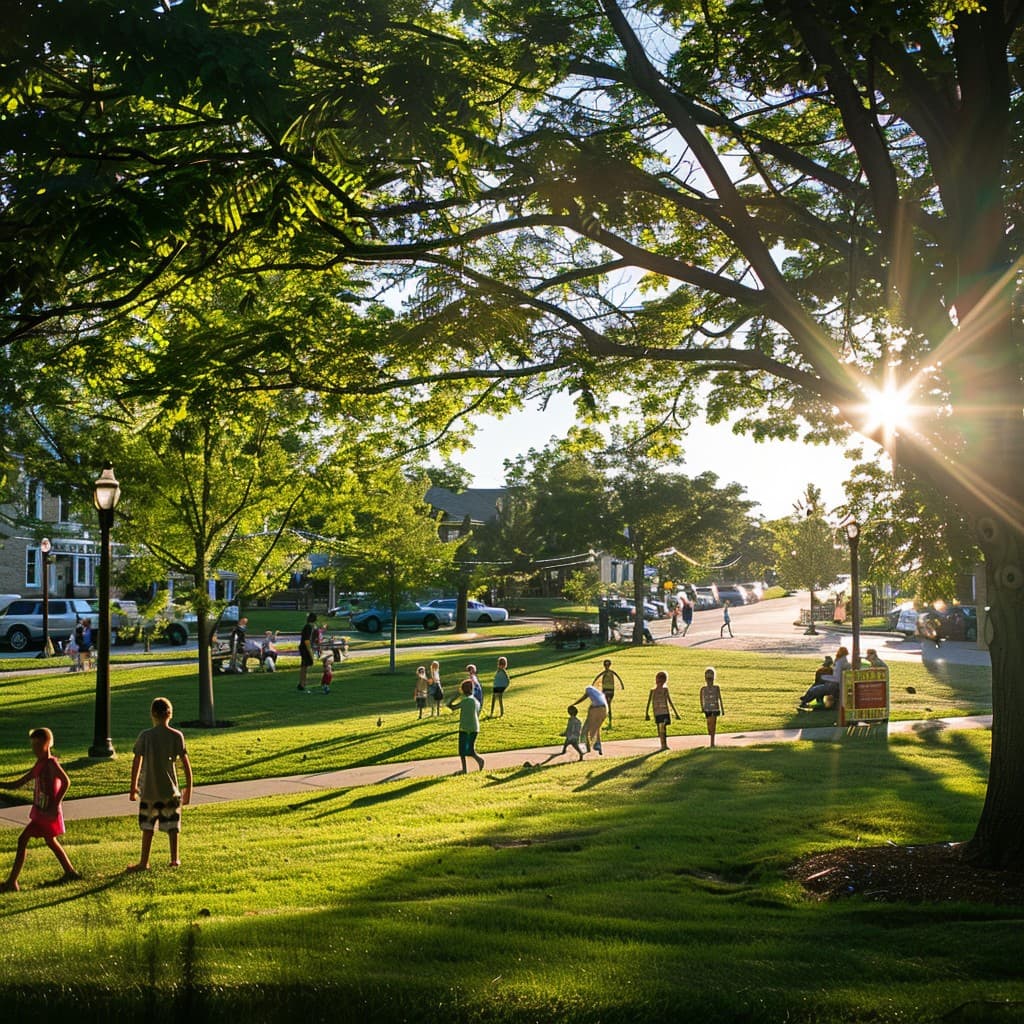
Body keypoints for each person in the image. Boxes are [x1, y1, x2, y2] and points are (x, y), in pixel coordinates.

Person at [0, 727, 80, 892]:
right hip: (41, 811)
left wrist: (55, 804)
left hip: (48, 813)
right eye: (33, 746)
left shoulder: (51, 763)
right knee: (50, 841)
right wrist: (3, 785)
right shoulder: (40, 764)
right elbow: (22, 781)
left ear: (48, 744)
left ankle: (12, 882)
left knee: (24, 840)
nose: (35, 749)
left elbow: (66, 782)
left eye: (38, 745)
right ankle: (70, 872)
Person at [128, 697, 193, 871]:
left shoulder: (145, 736)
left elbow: (137, 762)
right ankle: (174, 859)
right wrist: (189, 790)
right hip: (170, 791)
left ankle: (144, 862)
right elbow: (186, 766)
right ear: (170, 714)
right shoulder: (176, 736)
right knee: (173, 827)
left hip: (149, 791)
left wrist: (133, 787)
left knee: (147, 827)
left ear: (153, 714)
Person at [447, 679, 485, 773]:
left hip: (464, 727)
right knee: (470, 749)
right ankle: (479, 760)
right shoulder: (476, 701)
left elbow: (451, 706)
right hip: (475, 727)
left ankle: (464, 769)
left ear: (463, 690)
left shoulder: (465, 701)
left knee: (462, 750)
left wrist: (456, 696)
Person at [645, 671, 680, 751]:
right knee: (660, 730)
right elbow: (649, 702)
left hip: (664, 712)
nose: (660, 682)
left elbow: (669, 701)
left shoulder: (665, 690)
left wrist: (675, 713)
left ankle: (664, 745)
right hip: (657, 712)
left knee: (663, 729)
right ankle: (662, 744)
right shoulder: (653, 691)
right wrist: (646, 713)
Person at [571, 684, 608, 755]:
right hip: (604, 710)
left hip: (596, 710)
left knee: (585, 730)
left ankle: (587, 748)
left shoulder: (589, 691)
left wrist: (574, 704)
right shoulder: (600, 695)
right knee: (597, 728)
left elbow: (583, 698)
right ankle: (598, 745)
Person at [592, 659, 624, 727]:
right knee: (607, 705)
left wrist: (622, 685)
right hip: (607, 690)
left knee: (607, 705)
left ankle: (608, 719)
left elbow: (618, 678)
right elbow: (597, 678)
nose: (606, 666)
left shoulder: (609, 673)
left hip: (609, 690)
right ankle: (608, 719)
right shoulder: (606, 673)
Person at [700, 666, 725, 748]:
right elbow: (701, 699)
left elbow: (720, 698)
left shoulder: (716, 688)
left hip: (715, 708)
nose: (709, 681)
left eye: (711, 679)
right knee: (709, 724)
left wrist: (722, 709)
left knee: (713, 724)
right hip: (707, 708)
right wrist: (702, 708)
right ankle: (710, 734)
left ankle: (712, 742)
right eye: (708, 679)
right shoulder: (703, 689)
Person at [298, 613, 317, 691]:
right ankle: (302, 684)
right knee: (304, 666)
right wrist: (310, 651)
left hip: (303, 647)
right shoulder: (309, 627)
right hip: (305, 648)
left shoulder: (308, 626)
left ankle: (302, 683)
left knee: (304, 666)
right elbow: (307, 640)